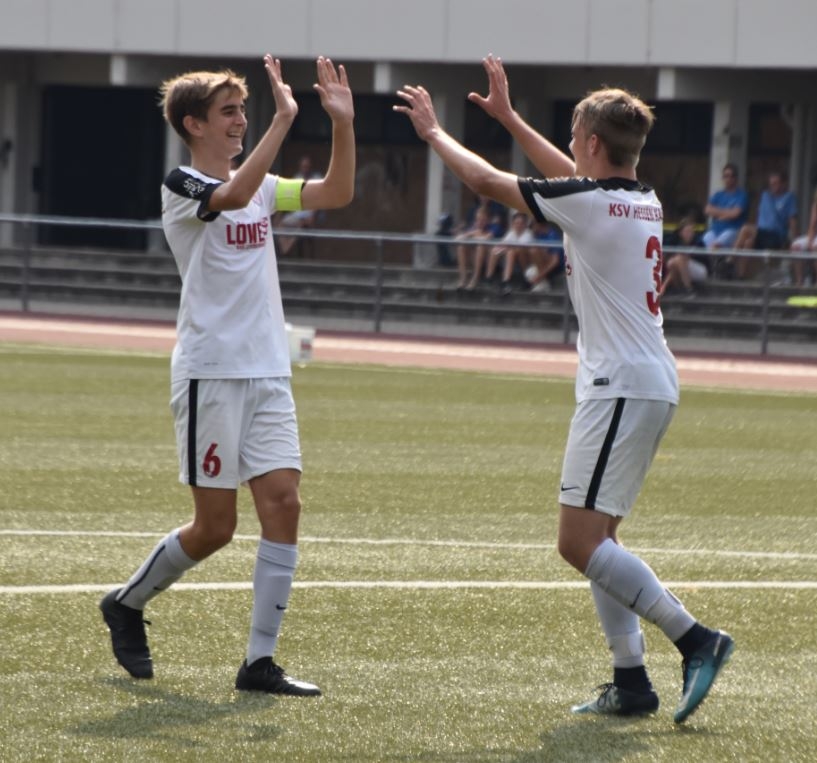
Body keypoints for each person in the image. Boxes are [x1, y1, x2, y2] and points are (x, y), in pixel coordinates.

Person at [395, 54, 733, 724]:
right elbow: (570, 178)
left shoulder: (587, 201)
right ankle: (630, 681)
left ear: (593, 143)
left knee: (578, 543)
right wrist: (511, 119)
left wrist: (433, 132)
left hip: (620, 385)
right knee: (600, 540)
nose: (572, 146)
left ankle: (696, 638)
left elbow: (486, 182)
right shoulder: (641, 198)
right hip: (643, 380)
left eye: (576, 135)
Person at [99, 55, 355, 696]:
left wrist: (343, 124)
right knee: (216, 527)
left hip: (268, 371)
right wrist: (285, 120)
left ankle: (258, 663)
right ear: (194, 124)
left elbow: (336, 193)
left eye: (244, 110)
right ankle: (126, 603)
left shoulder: (261, 185)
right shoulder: (182, 184)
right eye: (229, 112)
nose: (241, 120)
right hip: (210, 373)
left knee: (285, 504)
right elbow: (233, 196)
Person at [731, 170, 798, 279]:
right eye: (771, 184)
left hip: (776, 236)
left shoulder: (789, 198)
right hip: (762, 234)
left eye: (776, 183)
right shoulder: (765, 196)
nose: (773, 186)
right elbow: (760, 215)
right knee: (748, 242)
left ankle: (729, 260)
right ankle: (740, 275)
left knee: (745, 228)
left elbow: (792, 220)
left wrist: (794, 241)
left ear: (783, 183)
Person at [702, 163, 749, 278]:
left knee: (717, 244)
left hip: (733, 231)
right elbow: (707, 210)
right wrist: (727, 213)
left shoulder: (741, 195)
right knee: (705, 238)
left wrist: (718, 212)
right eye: (726, 176)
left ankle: (719, 269)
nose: (728, 179)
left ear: (735, 178)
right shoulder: (718, 194)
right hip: (715, 230)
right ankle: (716, 269)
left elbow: (735, 214)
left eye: (731, 176)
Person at [276, 155, 323, 255]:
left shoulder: (316, 178)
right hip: (297, 214)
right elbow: (290, 197)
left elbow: (320, 199)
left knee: (299, 225)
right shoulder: (297, 178)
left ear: (310, 167)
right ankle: (285, 249)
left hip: (309, 215)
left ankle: (286, 250)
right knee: (281, 224)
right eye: (303, 166)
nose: (305, 169)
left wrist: (312, 216)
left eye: (307, 166)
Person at [484, 210, 534, 293]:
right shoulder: (511, 233)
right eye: (516, 223)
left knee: (511, 252)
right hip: (510, 255)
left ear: (525, 224)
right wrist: (501, 248)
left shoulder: (528, 234)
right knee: (495, 251)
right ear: (513, 224)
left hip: (524, 260)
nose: (518, 225)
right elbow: (503, 244)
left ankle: (506, 280)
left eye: (521, 223)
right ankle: (489, 277)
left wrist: (507, 247)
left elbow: (521, 248)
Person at [660, 217, 710, 297]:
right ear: (681, 232)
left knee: (679, 259)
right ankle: (679, 288)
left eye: (691, 231)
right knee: (672, 263)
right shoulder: (675, 241)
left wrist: (664, 285)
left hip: (700, 269)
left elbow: (703, 259)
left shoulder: (698, 242)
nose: (689, 234)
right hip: (680, 267)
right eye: (687, 231)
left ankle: (689, 289)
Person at [454, 205, 494, 289]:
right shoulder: (473, 228)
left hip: (487, 261)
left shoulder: (493, 227)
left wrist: (474, 234)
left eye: (483, 220)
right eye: (478, 219)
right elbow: (461, 237)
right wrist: (470, 234)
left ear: (488, 220)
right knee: (461, 247)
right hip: (473, 258)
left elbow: (486, 238)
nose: (480, 222)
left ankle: (475, 278)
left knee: (480, 247)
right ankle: (463, 278)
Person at [790, 187, 817, 286]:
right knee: (796, 246)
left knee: (816, 247)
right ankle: (800, 281)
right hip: (815, 236)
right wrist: (810, 241)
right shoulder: (815, 206)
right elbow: (812, 225)